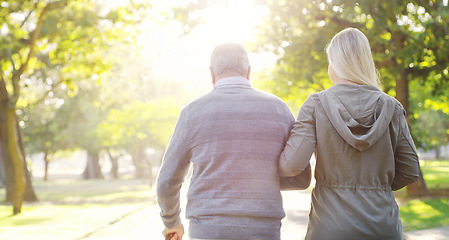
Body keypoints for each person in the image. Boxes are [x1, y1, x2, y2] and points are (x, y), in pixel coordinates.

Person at [157, 43, 311, 240]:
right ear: (248, 72)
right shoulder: (279, 109)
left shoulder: (192, 113)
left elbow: (167, 181)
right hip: (263, 229)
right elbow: (302, 178)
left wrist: (172, 222)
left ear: (211, 74)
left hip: (207, 229)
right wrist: (261, 180)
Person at [278, 28, 420, 240]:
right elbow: (410, 170)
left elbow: (291, 166)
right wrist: (376, 186)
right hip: (383, 227)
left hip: (329, 227)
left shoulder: (316, 104)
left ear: (335, 62)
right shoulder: (392, 107)